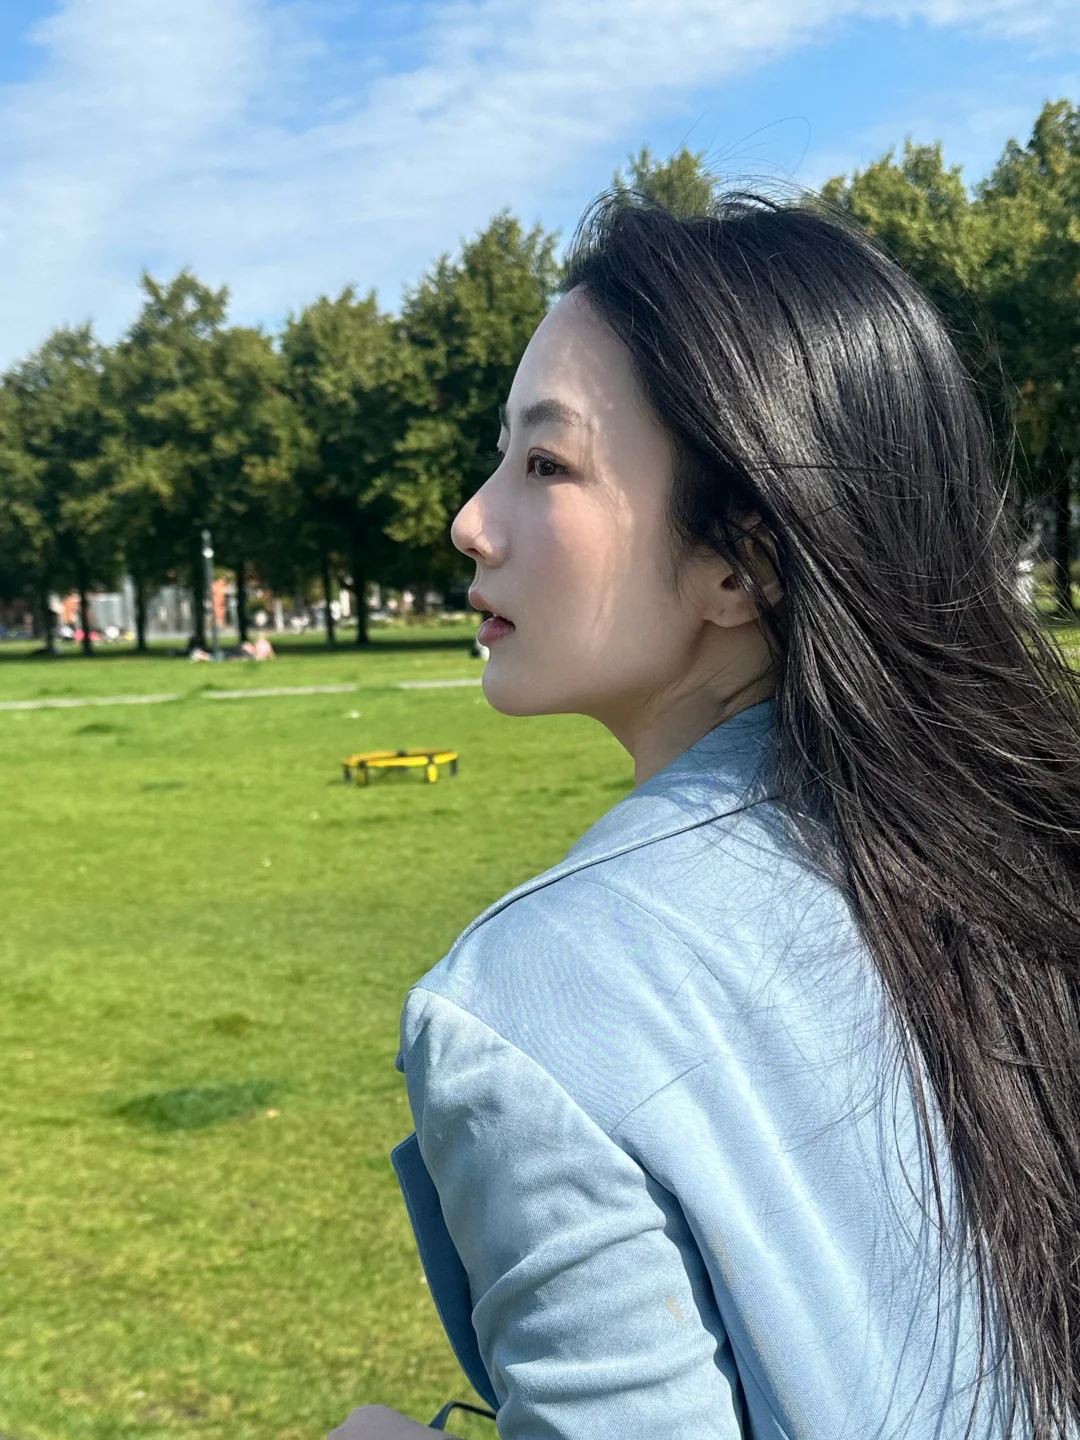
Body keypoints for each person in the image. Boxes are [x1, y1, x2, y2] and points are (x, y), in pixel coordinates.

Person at [387, 197, 1080, 1440]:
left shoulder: (532, 1003)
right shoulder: (1026, 855)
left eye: (547, 465)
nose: (471, 520)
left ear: (738, 562)